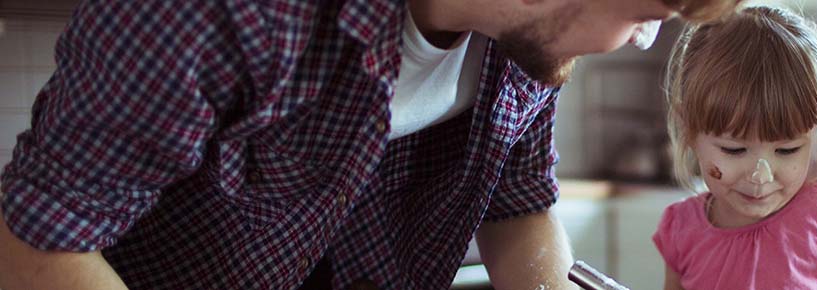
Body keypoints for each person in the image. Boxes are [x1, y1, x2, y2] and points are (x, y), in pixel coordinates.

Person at [0, 0, 744, 289]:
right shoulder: (225, 15)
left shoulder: (524, 52)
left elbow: (519, 209)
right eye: (649, 8)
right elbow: (37, 244)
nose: (646, 37)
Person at [652, 6, 817, 290]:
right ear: (688, 127)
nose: (761, 176)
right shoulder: (681, 228)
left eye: (787, 150)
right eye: (734, 150)